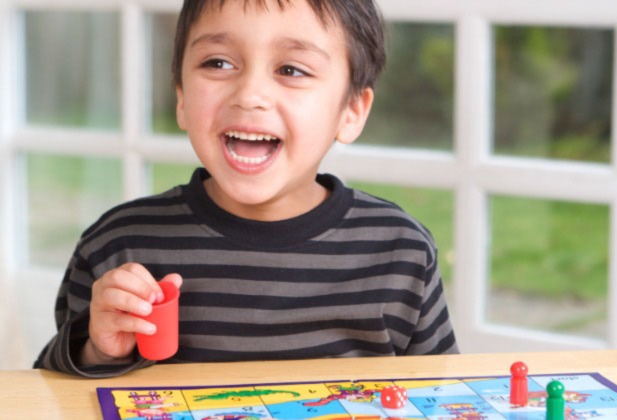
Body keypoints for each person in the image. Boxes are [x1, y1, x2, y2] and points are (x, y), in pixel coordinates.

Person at [34, 0, 458, 377]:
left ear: (351, 110)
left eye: (291, 70)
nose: (249, 94)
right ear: (181, 96)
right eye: (218, 63)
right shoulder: (117, 245)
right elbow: (50, 386)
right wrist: (98, 352)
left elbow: (446, 396)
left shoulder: (400, 251)